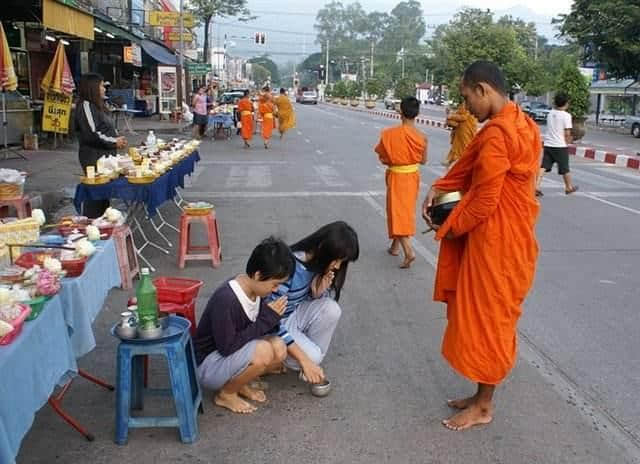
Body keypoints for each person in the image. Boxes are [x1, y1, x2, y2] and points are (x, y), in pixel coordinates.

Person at [422, 61, 540, 431]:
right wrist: (439, 185)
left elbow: (485, 201)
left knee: (489, 322)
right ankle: (479, 395)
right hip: (514, 239)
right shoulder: (523, 123)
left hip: (497, 247)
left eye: (467, 96)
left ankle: (484, 406)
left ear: (483, 90)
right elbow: (469, 169)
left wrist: (449, 228)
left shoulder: (497, 135)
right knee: (490, 319)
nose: (466, 106)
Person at [193, 237, 295, 414]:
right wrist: (267, 319)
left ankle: (239, 384)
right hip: (207, 365)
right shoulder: (228, 299)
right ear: (257, 275)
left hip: (227, 357)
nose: (276, 289)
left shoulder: (255, 290)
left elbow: (255, 330)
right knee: (264, 351)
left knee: (279, 348)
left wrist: (271, 318)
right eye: (275, 284)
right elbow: (228, 347)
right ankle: (226, 394)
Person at [269, 221, 359, 384]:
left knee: (332, 309)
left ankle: (305, 358)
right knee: (313, 357)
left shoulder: (317, 265)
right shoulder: (289, 267)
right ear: (324, 249)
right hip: (276, 323)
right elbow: (271, 320)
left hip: (294, 314)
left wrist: (317, 291)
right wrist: (305, 360)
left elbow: (302, 300)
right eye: (337, 260)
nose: (338, 266)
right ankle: (280, 359)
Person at [374, 96, 428, 269]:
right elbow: (424, 161)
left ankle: (409, 251)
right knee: (405, 211)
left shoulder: (389, 134)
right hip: (413, 177)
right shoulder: (422, 137)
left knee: (397, 213)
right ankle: (395, 247)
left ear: (401, 113)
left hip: (397, 177)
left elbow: (382, 156)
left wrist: (394, 160)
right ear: (417, 114)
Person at [75, 73, 127, 218]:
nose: (104, 88)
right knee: (95, 195)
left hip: (105, 156)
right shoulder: (86, 106)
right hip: (93, 157)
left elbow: (105, 128)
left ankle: (102, 225)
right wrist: (114, 141)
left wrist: (116, 138)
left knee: (104, 195)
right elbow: (92, 133)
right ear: (92, 87)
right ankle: (92, 225)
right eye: (101, 85)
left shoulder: (98, 105)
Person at [536, 92, 578, 196]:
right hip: (560, 145)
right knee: (565, 168)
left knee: (544, 166)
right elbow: (567, 132)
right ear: (566, 103)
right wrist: (569, 142)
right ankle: (569, 187)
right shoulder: (566, 116)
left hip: (548, 144)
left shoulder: (550, 113)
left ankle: (536, 186)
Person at [444, 102, 477, 168]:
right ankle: (451, 162)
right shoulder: (464, 104)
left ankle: (460, 164)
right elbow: (459, 115)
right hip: (461, 130)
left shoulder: (470, 104)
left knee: (464, 149)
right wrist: (450, 115)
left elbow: (464, 117)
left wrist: (451, 116)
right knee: (457, 148)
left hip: (466, 131)